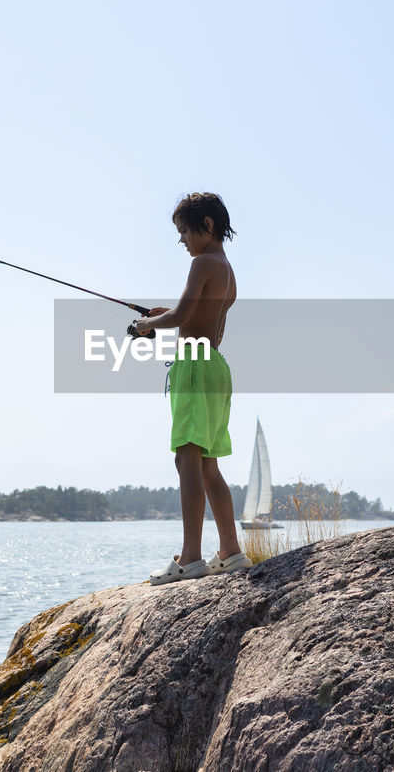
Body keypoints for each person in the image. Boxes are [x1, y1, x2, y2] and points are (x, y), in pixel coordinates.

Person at [131, 192, 251, 585]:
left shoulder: (202, 263)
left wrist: (145, 326)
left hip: (195, 367)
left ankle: (190, 558)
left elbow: (183, 316)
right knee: (208, 462)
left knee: (187, 459)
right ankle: (231, 551)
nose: (182, 239)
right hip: (216, 366)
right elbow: (196, 315)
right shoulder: (226, 269)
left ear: (207, 226)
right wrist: (163, 316)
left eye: (184, 230)